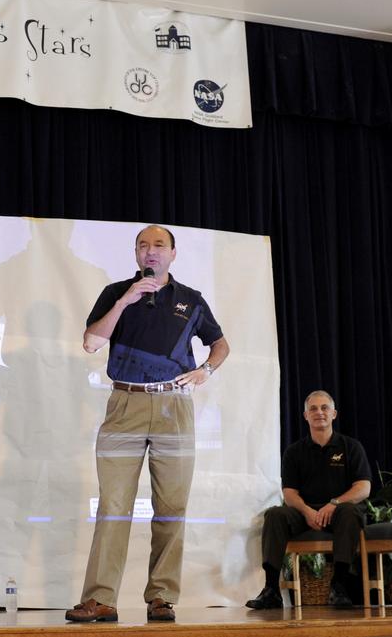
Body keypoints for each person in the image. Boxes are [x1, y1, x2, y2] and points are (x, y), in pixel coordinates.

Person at [65, 224, 230, 623]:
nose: (150, 251)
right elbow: (91, 342)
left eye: (159, 245)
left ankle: (161, 597)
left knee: (171, 506)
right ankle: (100, 599)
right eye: (143, 245)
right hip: (125, 404)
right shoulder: (116, 293)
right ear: (136, 254)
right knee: (113, 505)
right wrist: (126, 301)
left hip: (174, 406)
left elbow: (220, 344)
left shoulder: (190, 300)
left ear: (173, 253)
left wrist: (206, 370)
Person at [245, 390, 371, 610]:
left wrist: (333, 504)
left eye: (324, 408)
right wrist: (307, 511)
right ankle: (271, 589)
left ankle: (339, 586)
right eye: (313, 408)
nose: (319, 412)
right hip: (305, 512)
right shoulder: (294, 452)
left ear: (334, 414)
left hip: (339, 511)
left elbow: (363, 488)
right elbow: (289, 493)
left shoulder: (351, 447)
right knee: (275, 515)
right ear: (306, 416)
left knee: (350, 512)